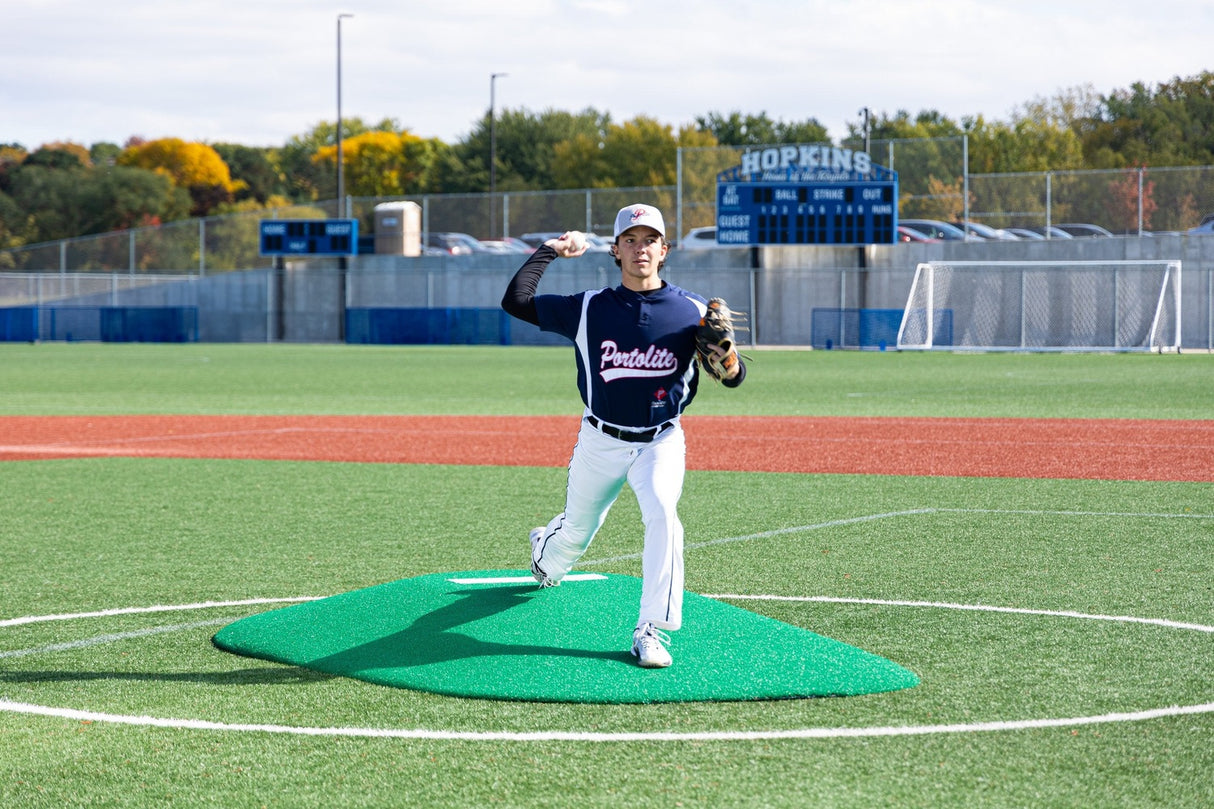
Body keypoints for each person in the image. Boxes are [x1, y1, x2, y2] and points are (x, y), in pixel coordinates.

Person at [500, 203, 746, 668]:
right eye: (630, 240)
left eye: (649, 239)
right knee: (572, 539)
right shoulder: (590, 308)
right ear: (615, 250)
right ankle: (544, 551)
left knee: (663, 515)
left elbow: (732, 379)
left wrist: (730, 364)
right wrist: (550, 250)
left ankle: (650, 629)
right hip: (600, 440)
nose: (640, 249)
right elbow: (516, 302)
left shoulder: (692, 310)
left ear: (664, 249)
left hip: (661, 439)